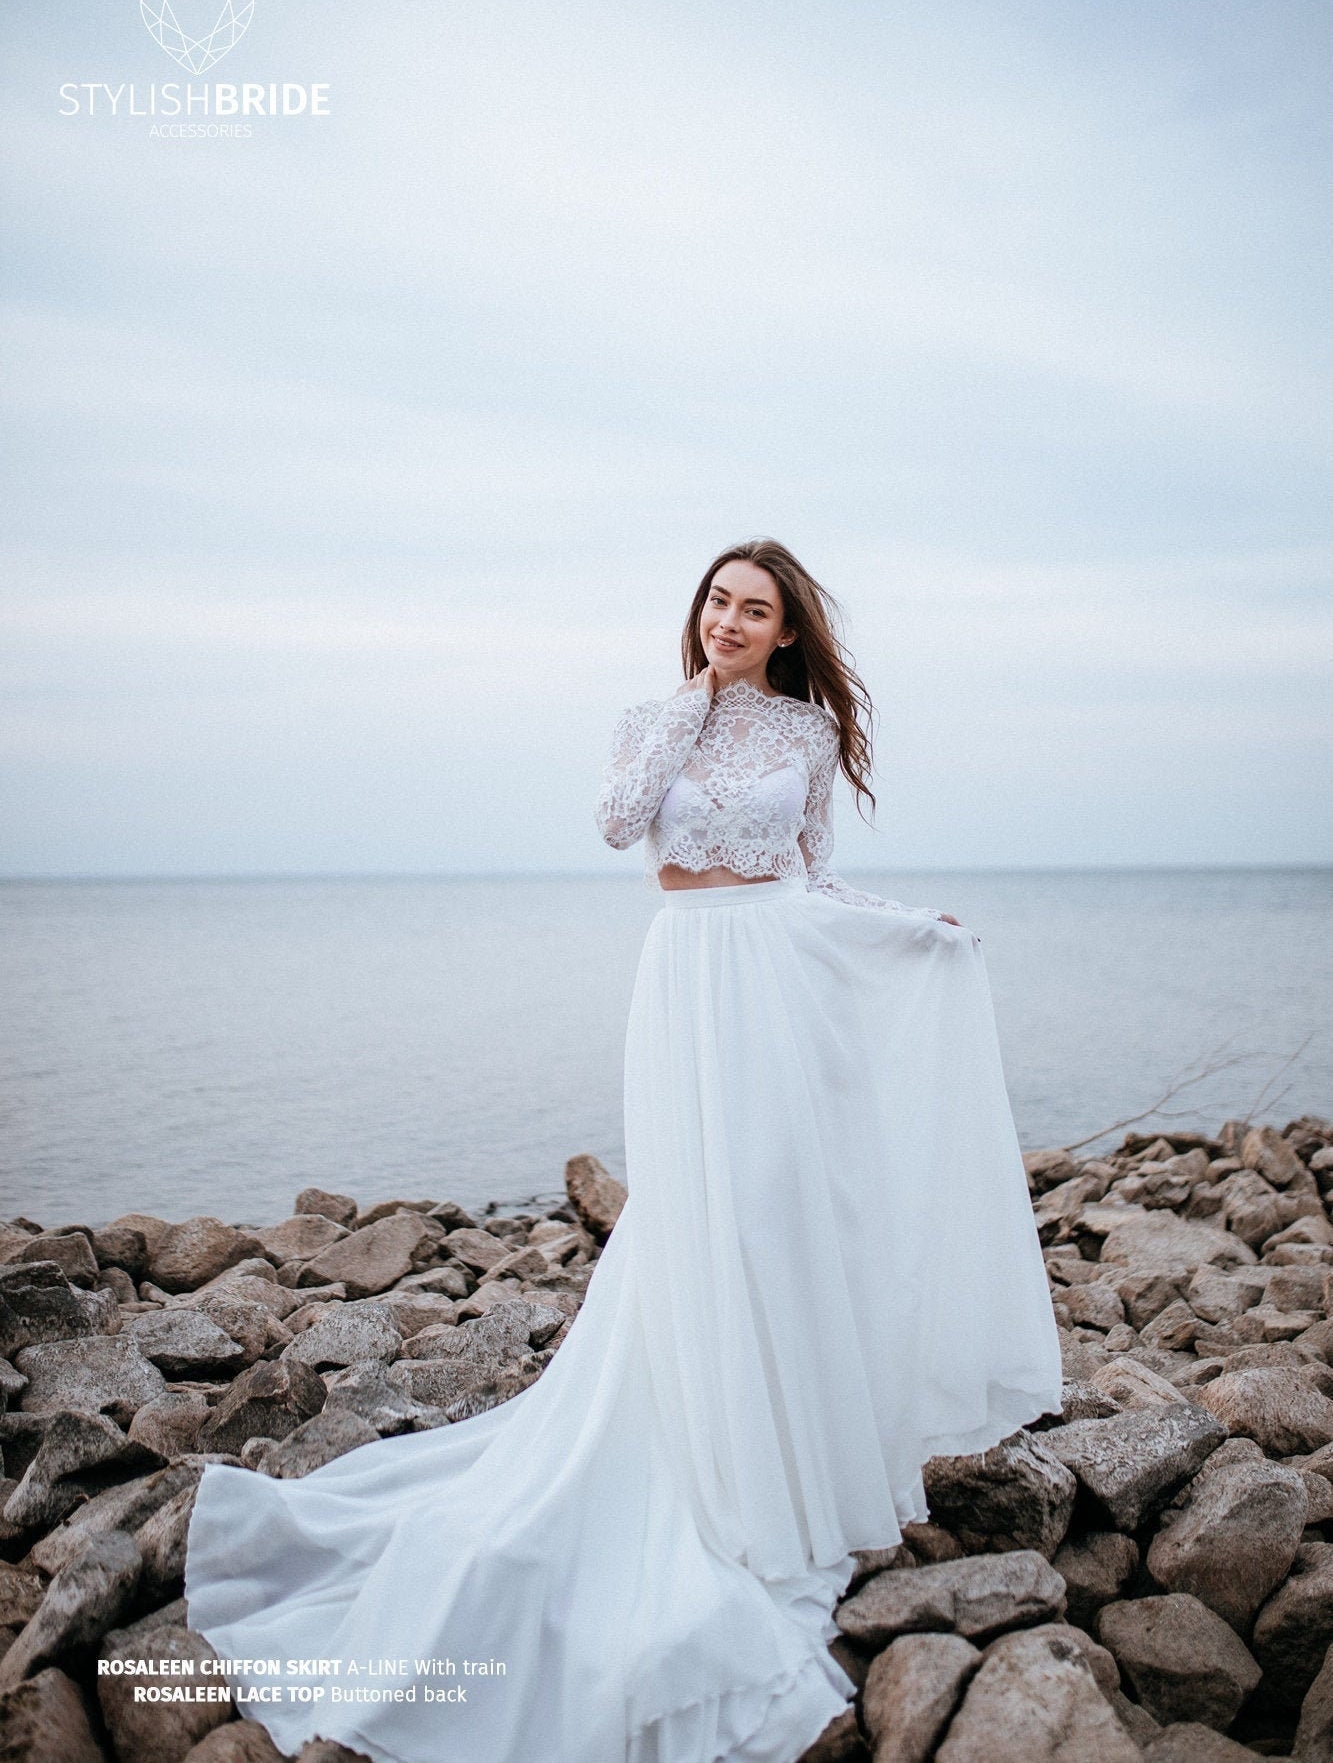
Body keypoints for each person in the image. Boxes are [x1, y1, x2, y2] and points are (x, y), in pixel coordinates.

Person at [183, 536, 1063, 1763]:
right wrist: (689, 706)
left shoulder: (806, 739)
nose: (730, 621)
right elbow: (612, 825)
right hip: (686, 971)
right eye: (717, 602)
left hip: (775, 973)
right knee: (691, 1213)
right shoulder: (656, 717)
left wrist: (912, 927)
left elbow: (813, 877)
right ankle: (694, 1442)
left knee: (766, 1208)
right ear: (698, 613)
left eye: (755, 611)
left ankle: (774, 1462)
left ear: (790, 631)